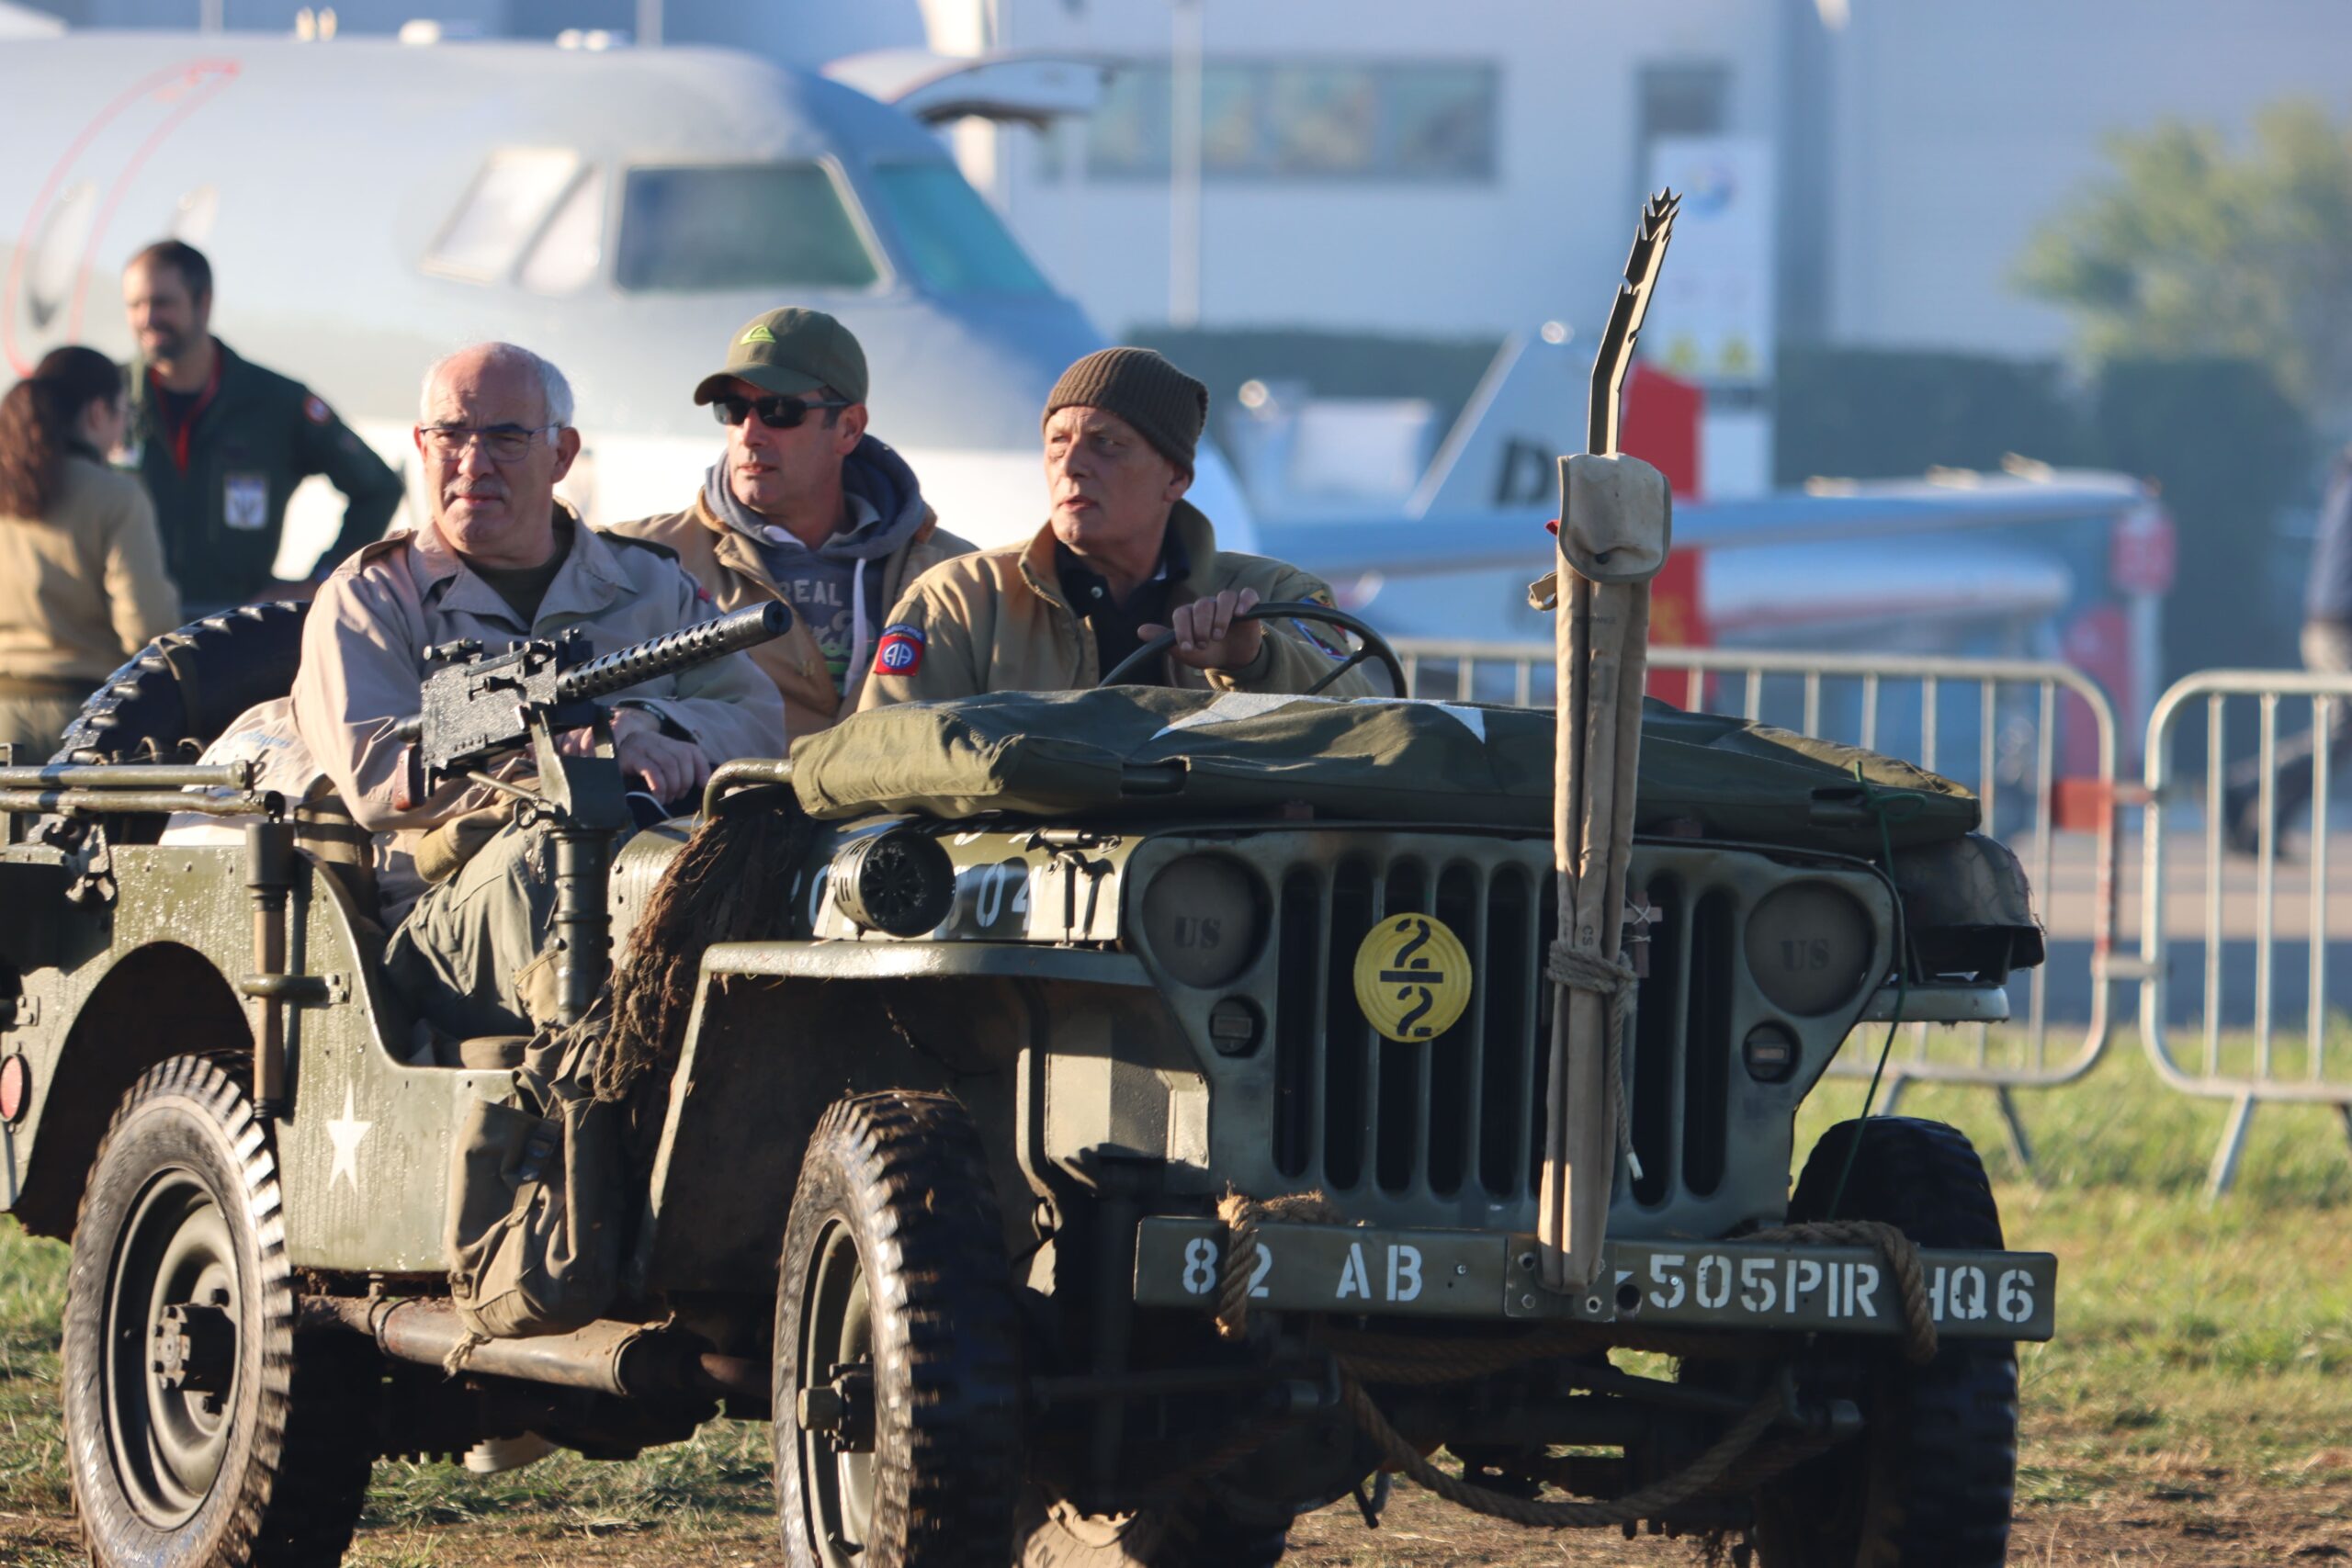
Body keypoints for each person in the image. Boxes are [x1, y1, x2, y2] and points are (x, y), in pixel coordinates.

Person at [293, 343, 786, 1040]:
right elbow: (381, 776)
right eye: (451, 435)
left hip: (654, 871)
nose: (473, 462)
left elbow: (760, 722)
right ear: (420, 446)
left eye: (505, 436)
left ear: (562, 455)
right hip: (452, 914)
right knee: (562, 851)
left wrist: (646, 723)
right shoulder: (370, 600)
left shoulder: (648, 584)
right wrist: (561, 755)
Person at [858, 347, 1374, 708]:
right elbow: (880, 752)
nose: (1072, 465)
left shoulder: (1272, 596)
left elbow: (1375, 726)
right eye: (1057, 442)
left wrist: (1254, 661)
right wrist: (1033, 760)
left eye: (1106, 443)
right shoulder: (962, 599)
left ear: (1175, 477)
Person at [607, 309, 971, 739]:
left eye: (779, 410)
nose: (749, 433)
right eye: (733, 409)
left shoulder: (962, 576)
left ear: (849, 428)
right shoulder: (630, 562)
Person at [123, 239, 404, 612]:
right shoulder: (106, 400)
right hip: (125, 636)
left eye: (162, 303)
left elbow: (378, 488)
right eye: (135, 305)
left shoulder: (275, 402)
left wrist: (321, 581)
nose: (147, 318)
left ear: (203, 302)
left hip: (230, 635)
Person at [0, 346, 180, 758]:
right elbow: (147, 627)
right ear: (98, 413)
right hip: (85, 722)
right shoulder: (117, 497)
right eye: (122, 414)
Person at [2223, 446, 2352, 854]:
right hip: (2340, 629)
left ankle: (2262, 817)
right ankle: (2247, 786)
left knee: (2340, 736)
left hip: (2329, 624)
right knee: (2339, 734)